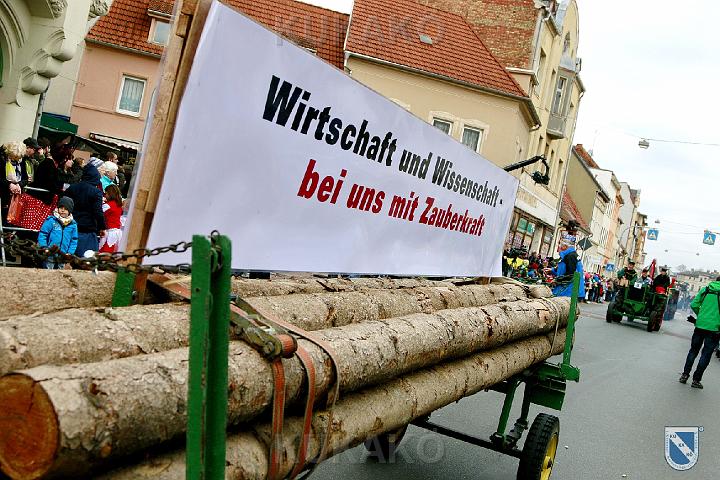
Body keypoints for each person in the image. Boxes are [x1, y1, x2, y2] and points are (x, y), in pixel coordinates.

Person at [679, 276, 720, 389]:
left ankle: (684, 375)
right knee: (706, 354)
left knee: (693, 351)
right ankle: (696, 380)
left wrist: (701, 316)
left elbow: (694, 304)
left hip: (700, 325)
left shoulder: (706, 289)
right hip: (714, 329)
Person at [65, 161, 106, 255]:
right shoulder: (96, 192)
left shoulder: (72, 188)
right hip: (87, 229)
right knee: (87, 257)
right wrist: (102, 227)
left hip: (70, 225)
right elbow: (98, 211)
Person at [37, 196, 78, 269]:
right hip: (50, 252)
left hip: (63, 254)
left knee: (61, 271)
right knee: (48, 269)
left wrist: (70, 252)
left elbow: (74, 240)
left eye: (66, 209)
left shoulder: (73, 225)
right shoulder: (51, 220)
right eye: (61, 208)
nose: (63, 210)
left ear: (69, 210)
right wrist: (43, 246)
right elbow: (43, 234)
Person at [1, 141, 29, 225]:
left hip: (16, 197)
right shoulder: (2, 160)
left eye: (18, 157)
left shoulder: (22, 162)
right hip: (3, 195)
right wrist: (9, 184)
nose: (16, 159)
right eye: (14, 156)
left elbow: (25, 178)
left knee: (12, 221)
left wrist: (19, 185)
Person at [550, 234, 585, 298]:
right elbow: (565, 269)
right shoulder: (572, 255)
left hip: (568, 289)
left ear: (565, 247)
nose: (558, 250)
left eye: (559, 247)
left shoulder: (570, 256)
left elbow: (570, 274)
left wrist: (557, 281)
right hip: (568, 288)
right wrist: (552, 270)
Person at [99, 184, 123, 253]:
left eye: (106, 193)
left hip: (109, 233)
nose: (105, 195)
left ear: (110, 194)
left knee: (104, 253)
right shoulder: (118, 204)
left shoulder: (108, 205)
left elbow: (99, 215)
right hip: (117, 233)